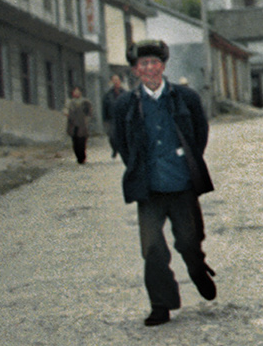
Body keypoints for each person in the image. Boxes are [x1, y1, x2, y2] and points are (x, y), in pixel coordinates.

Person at [105, 39, 217, 327]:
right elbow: (121, 141)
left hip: (182, 184)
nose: (150, 68)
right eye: (143, 64)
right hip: (149, 188)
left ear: (164, 66)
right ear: (135, 71)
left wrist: (187, 161)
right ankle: (161, 304)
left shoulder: (185, 97)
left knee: (189, 240)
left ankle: (197, 267)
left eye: (155, 62)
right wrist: (139, 168)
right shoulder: (125, 104)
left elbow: (199, 134)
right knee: (152, 249)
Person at [64, 86, 93, 164]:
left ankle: (82, 158)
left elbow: (89, 113)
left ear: (80, 92)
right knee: (75, 143)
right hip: (73, 125)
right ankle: (78, 157)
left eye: (77, 91)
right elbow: (66, 111)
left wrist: (87, 122)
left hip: (82, 125)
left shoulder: (85, 102)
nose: (76, 93)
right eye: (74, 91)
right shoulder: (70, 102)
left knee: (82, 142)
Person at [102, 72, 127, 159]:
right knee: (112, 136)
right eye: (114, 80)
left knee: (123, 135)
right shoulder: (108, 95)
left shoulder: (125, 93)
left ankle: (122, 149)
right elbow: (104, 107)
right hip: (112, 118)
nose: (116, 82)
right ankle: (115, 149)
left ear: (120, 81)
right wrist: (105, 119)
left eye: (117, 80)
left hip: (123, 118)